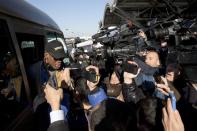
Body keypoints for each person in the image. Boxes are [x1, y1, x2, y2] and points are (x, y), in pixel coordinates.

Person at [28, 40, 71, 131]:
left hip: (63, 118)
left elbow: (74, 87)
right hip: (45, 120)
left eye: (61, 58)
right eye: (56, 58)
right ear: (46, 55)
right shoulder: (34, 70)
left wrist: (69, 83)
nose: (59, 61)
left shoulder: (65, 68)